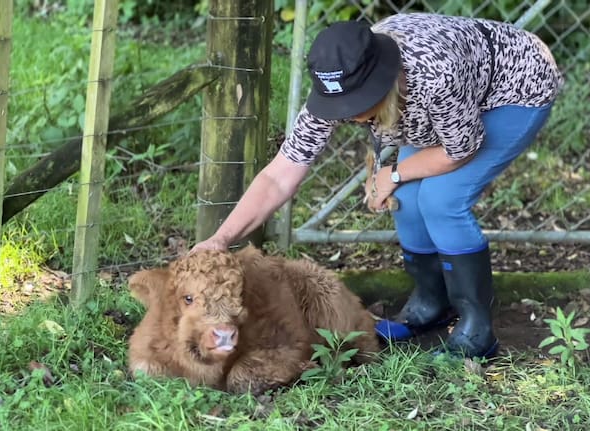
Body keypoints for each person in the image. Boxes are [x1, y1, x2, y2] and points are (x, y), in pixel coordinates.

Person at [191, 13, 564, 359]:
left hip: (513, 88)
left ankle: (477, 331)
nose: (351, 114)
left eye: (359, 101)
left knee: (441, 199)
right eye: (342, 103)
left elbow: (461, 148)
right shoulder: (341, 82)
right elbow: (279, 174)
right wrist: (221, 239)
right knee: (407, 198)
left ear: (383, 77)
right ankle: (432, 302)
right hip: (434, 106)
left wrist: (394, 173)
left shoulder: (435, 74)